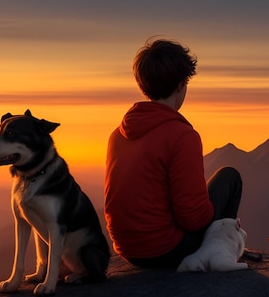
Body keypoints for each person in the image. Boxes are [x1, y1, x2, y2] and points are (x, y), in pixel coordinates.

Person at [104, 38, 243, 269]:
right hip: (166, 251)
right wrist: (211, 209)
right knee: (230, 177)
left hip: (128, 250)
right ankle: (220, 253)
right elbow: (194, 217)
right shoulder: (182, 136)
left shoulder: (117, 135)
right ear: (181, 85)